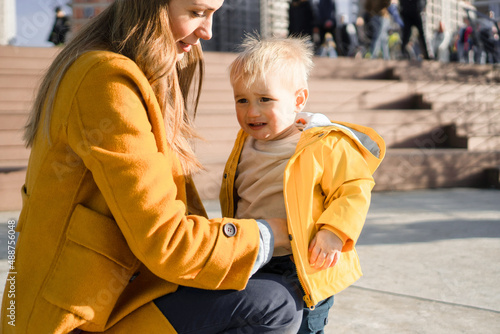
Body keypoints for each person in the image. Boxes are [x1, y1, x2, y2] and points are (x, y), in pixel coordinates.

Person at [1, 1, 304, 333]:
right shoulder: (105, 80)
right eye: (197, 12)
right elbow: (168, 242)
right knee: (272, 304)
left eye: (213, 14)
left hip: (121, 294)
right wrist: (277, 231)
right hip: (75, 321)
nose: (208, 32)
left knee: (265, 282)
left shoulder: (137, 70)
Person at [220, 35, 386, 334]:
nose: (251, 111)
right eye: (241, 100)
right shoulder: (245, 142)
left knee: (305, 327)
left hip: (305, 261)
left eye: (265, 99)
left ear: (298, 100)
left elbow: (353, 189)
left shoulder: (322, 143)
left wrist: (334, 232)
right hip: (255, 252)